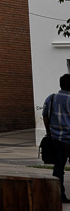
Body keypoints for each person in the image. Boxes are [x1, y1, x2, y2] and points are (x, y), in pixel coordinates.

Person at [42, 73, 70, 203]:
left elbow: (45, 116)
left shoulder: (51, 98)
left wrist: (49, 132)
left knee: (58, 168)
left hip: (56, 140)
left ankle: (59, 194)